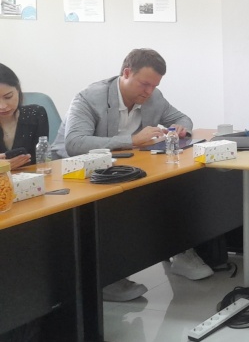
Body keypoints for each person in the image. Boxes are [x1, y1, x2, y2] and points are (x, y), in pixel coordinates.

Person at [52, 48, 214, 302]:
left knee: (175, 186)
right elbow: (74, 143)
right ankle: (106, 277)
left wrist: (181, 127)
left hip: (120, 166)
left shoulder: (153, 96)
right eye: (144, 84)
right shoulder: (89, 97)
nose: (149, 92)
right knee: (118, 206)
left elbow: (182, 118)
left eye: (154, 86)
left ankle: (180, 251)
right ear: (126, 73)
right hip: (75, 172)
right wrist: (132, 140)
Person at [0, 63, 49, 170]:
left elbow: (41, 160)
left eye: (8, 97)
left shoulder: (36, 114)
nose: (2, 106)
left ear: (18, 90)